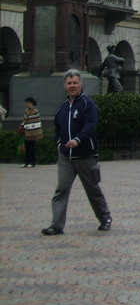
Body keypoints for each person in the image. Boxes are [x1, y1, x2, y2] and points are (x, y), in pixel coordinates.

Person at [42, 69, 112, 236]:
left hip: (85, 156)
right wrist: (59, 142)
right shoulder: (62, 107)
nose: (72, 86)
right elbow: (58, 127)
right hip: (66, 156)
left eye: (75, 83)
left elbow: (90, 126)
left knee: (92, 189)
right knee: (62, 189)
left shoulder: (88, 105)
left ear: (81, 85)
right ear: (65, 86)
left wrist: (78, 140)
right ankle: (56, 225)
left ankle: (105, 218)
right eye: (69, 83)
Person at [18, 97, 43, 167]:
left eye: (27, 102)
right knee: (27, 147)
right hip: (26, 132)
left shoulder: (35, 111)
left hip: (33, 132)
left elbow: (36, 121)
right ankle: (26, 162)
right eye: (26, 102)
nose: (26, 104)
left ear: (31, 103)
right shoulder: (26, 111)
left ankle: (32, 162)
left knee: (32, 148)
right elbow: (25, 120)